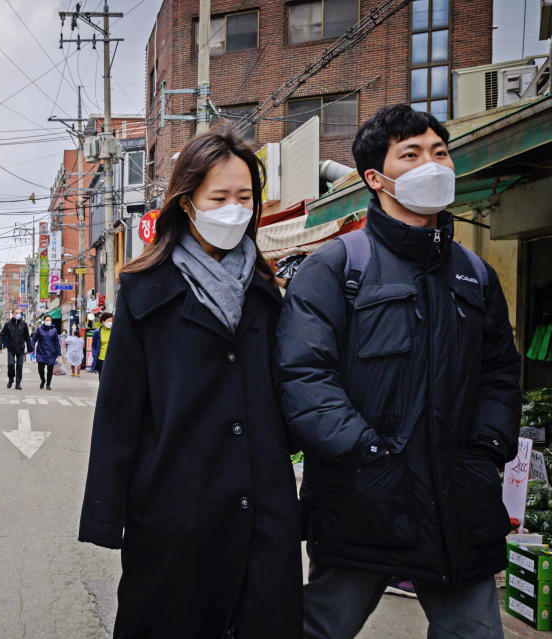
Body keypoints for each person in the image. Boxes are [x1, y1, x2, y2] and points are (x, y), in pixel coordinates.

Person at [275, 105, 521, 639]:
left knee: (475, 632)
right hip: (362, 498)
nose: (431, 165)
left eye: (439, 152)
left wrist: (485, 454)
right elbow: (304, 377)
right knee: (322, 627)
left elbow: (501, 372)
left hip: (457, 501)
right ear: (374, 178)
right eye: (410, 155)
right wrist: (368, 456)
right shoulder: (336, 266)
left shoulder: (474, 273)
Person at [79, 125, 302, 638]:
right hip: (174, 506)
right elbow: (119, 412)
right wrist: (105, 514)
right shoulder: (145, 289)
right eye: (219, 196)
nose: (233, 208)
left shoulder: (268, 292)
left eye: (244, 197)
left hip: (260, 504)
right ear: (186, 203)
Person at [0, 308, 32, 390]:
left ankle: (18, 383)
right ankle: (11, 379)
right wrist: (0, 346)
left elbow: (27, 337)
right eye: (16, 313)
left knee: (20, 366)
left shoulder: (24, 324)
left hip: (20, 349)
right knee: (10, 364)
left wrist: (30, 348)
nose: (18, 314)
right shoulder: (8, 324)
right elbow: (2, 335)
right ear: (12, 314)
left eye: (19, 313)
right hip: (11, 348)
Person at [31, 316, 61, 390]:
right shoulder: (39, 329)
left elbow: (57, 342)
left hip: (51, 352)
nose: (48, 321)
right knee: (40, 368)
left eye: (49, 320)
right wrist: (31, 348)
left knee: (50, 369)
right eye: (47, 320)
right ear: (44, 321)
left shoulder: (54, 330)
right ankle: (43, 380)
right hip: (41, 351)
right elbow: (34, 339)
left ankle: (48, 384)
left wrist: (58, 352)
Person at [88, 312, 113, 376]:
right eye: (109, 320)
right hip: (101, 358)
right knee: (102, 377)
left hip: (112, 358)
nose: (111, 322)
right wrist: (94, 354)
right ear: (103, 321)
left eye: (112, 320)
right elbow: (94, 345)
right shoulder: (97, 332)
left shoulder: (114, 330)